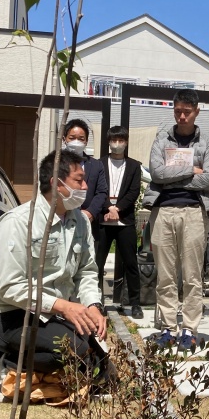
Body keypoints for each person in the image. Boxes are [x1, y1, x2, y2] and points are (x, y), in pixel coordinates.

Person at [0, 149, 107, 373]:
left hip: (56, 315)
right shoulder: (17, 223)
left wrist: (93, 306)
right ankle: (11, 364)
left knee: (101, 364)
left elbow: (87, 271)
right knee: (76, 352)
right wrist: (64, 306)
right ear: (56, 183)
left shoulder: (80, 221)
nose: (85, 187)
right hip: (15, 315)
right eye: (79, 181)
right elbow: (10, 287)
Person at [147, 89, 209, 350]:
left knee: (192, 275)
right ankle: (167, 327)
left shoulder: (207, 143)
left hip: (194, 212)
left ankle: (189, 328)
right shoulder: (161, 140)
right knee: (165, 275)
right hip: (162, 211)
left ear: (197, 111)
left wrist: (172, 176)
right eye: (178, 111)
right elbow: (156, 173)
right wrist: (190, 170)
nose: (182, 116)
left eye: (187, 112)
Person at [96, 125, 143, 320]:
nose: (117, 144)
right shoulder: (99, 164)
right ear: (109, 142)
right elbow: (97, 189)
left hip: (125, 221)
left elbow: (134, 192)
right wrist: (108, 207)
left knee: (131, 263)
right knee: (97, 264)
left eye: (121, 140)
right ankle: (97, 302)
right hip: (103, 220)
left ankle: (135, 303)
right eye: (114, 140)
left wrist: (118, 209)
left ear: (126, 142)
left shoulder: (134, 166)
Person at [63, 119, 107, 245]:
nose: (76, 141)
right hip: (61, 219)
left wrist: (90, 212)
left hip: (89, 223)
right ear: (64, 139)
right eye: (72, 138)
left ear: (86, 141)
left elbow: (102, 192)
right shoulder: (55, 162)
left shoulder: (96, 165)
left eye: (81, 139)